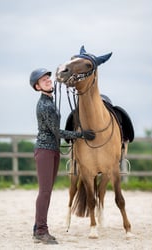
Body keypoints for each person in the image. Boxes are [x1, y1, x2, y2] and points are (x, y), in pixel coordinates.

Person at [29, 68, 95, 244]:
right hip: (45, 151)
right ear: (37, 87)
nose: (48, 81)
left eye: (48, 79)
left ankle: (37, 228)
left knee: (47, 191)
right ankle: (41, 231)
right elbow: (57, 132)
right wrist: (81, 135)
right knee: (44, 192)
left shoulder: (50, 101)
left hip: (52, 150)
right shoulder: (44, 105)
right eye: (43, 81)